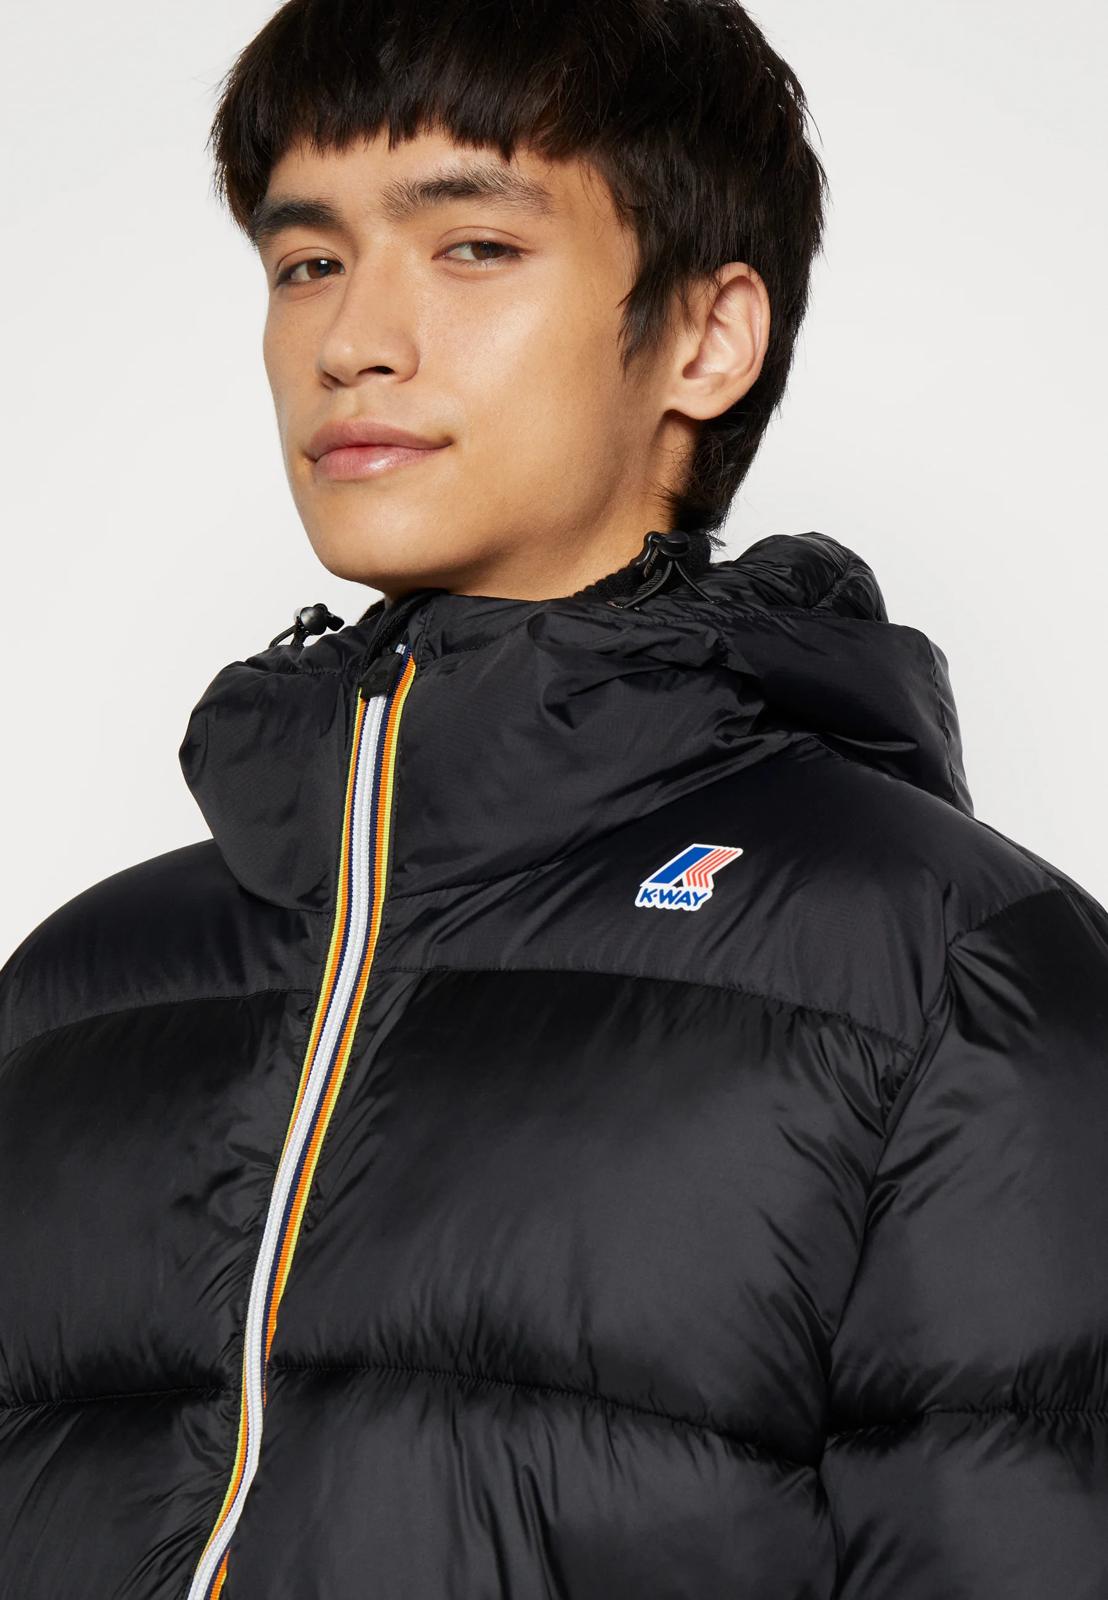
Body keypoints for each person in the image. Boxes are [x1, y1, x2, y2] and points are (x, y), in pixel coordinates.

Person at [1, 0, 1106, 1595]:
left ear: (707, 337)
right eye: (307, 260)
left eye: (472, 247)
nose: (352, 339)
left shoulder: (951, 969)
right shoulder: (75, 994)